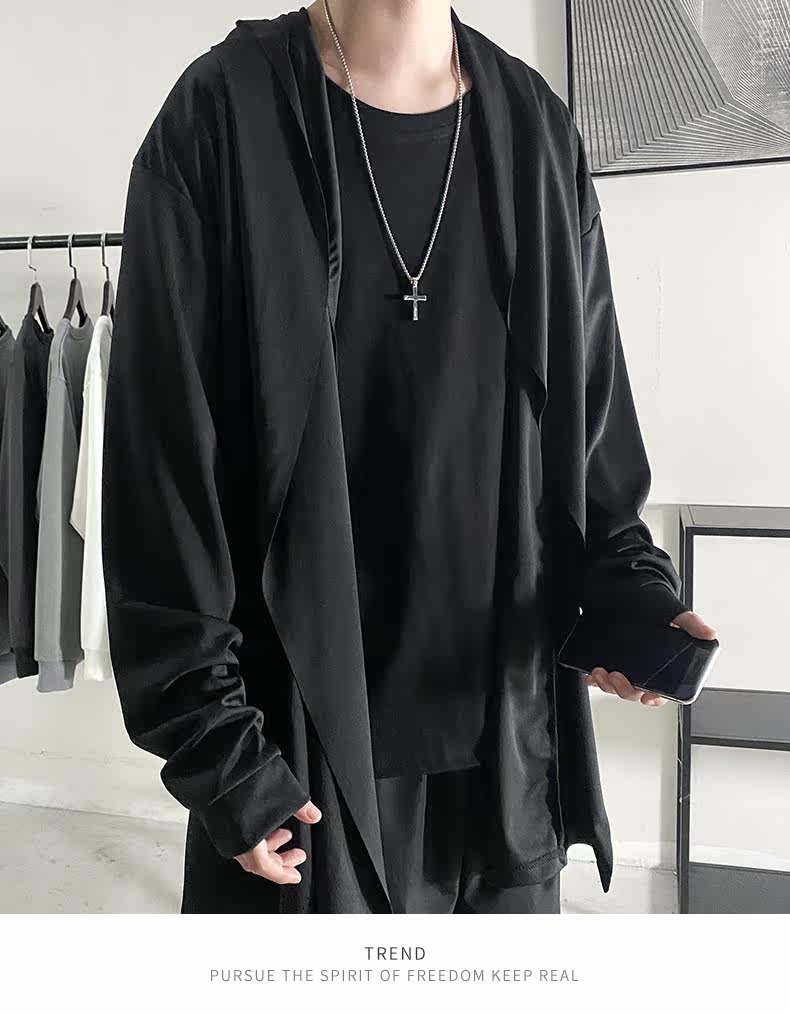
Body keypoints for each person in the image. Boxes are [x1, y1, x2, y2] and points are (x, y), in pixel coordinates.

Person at [103, 1, 716, 915]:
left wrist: (632, 601)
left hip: (504, 764)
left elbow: (591, 439)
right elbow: (161, 473)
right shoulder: (220, 117)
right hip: (295, 765)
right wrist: (218, 751)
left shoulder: (535, 130)